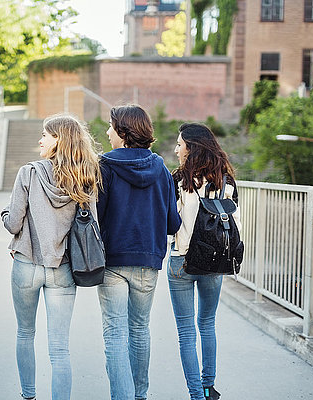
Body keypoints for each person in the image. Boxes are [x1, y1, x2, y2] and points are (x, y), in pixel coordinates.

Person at [1, 114, 102, 400]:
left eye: (45, 135)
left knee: (25, 333)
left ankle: (28, 395)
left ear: (58, 139)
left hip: (26, 264)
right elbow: (91, 224)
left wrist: (4, 214)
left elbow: (14, 223)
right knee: (60, 348)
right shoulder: (85, 176)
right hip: (64, 268)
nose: (40, 140)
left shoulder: (29, 173)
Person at [96, 105, 181, 400]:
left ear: (122, 132)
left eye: (110, 127)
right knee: (140, 329)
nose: (107, 132)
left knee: (115, 333)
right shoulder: (160, 168)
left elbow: (96, 216)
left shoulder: (104, 166)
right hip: (148, 261)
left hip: (112, 260)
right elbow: (173, 222)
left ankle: (121, 396)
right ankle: (139, 395)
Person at [169, 123, 240, 400]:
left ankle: (196, 394)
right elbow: (236, 223)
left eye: (179, 144)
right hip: (214, 261)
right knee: (207, 323)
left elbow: (171, 222)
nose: (176, 149)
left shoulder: (179, 180)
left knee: (186, 332)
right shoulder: (226, 181)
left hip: (181, 262)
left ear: (191, 147)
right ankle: (208, 386)